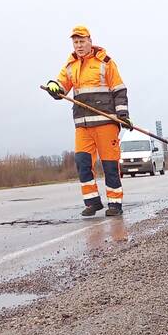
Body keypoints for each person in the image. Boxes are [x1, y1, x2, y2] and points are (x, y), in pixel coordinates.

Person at [44, 26, 132, 217]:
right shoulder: (70, 65)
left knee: (110, 164)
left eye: (82, 41)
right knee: (82, 163)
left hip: (105, 123)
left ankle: (115, 204)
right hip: (82, 125)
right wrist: (54, 87)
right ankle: (93, 202)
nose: (79, 46)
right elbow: (61, 86)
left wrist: (122, 115)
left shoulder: (105, 63)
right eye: (75, 42)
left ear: (90, 41)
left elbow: (119, 90)